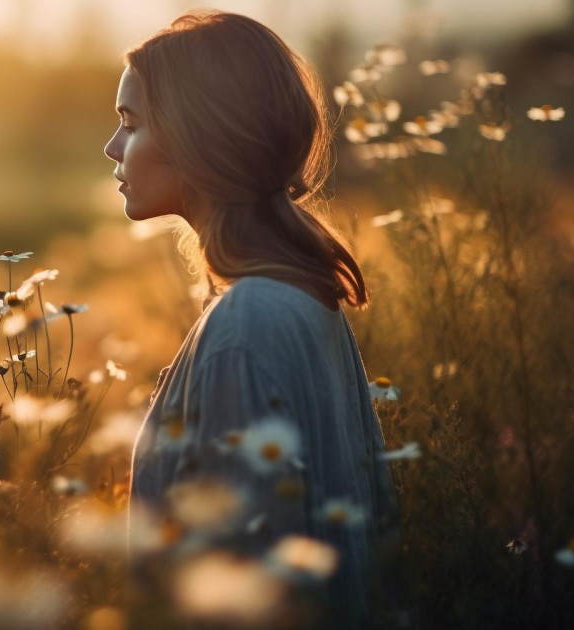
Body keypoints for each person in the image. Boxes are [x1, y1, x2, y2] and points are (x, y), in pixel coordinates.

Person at [104, 10, 404, 629]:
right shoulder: (300, 298)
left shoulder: (248, 326)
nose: (111, 147)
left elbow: (246, 591)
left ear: (197, 136)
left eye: (129, 124)